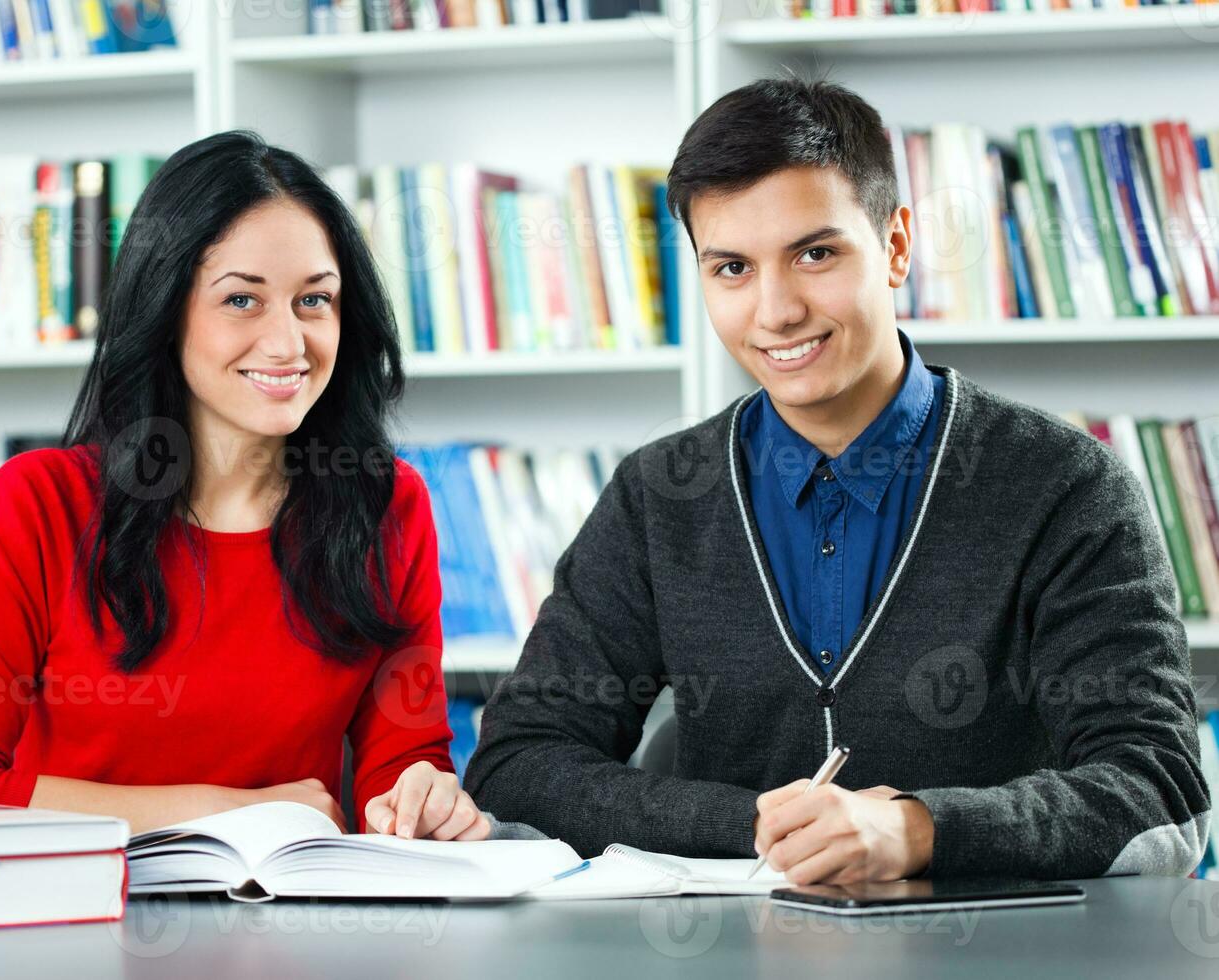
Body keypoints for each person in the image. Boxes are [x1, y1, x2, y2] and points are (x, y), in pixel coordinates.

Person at [465, 77, 1212, 883]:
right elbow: (518, 765)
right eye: (731, 269)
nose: (776, 311)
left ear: (894, 247)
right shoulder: (659, 496)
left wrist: (917, 831)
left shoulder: (1064, 487)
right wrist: (759, 824)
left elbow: (1162, 795)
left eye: (815, 253)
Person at [0, 131, 488, 842]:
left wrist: (422, 801)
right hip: (69, 925)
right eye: (242, 300)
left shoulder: (385, 504)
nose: (287, 343)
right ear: (164, 309)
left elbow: (401, 764)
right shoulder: (40, 504)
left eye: (314, 301)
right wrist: (224, 812)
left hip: (286, 927)